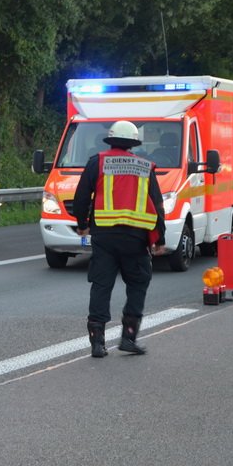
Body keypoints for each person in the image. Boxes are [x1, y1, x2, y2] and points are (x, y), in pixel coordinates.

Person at [73, 120, 166, 358]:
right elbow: (156, 205)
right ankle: (128, 337)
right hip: (135, 238)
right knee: (137, 284)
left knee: (101, 286)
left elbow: (81, 196)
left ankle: (97, 343)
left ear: (110, 140)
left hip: (104, 235)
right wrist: (159, 239)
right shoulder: (144, 166)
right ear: (133, 143)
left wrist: (82, 225)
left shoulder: (98, 162)